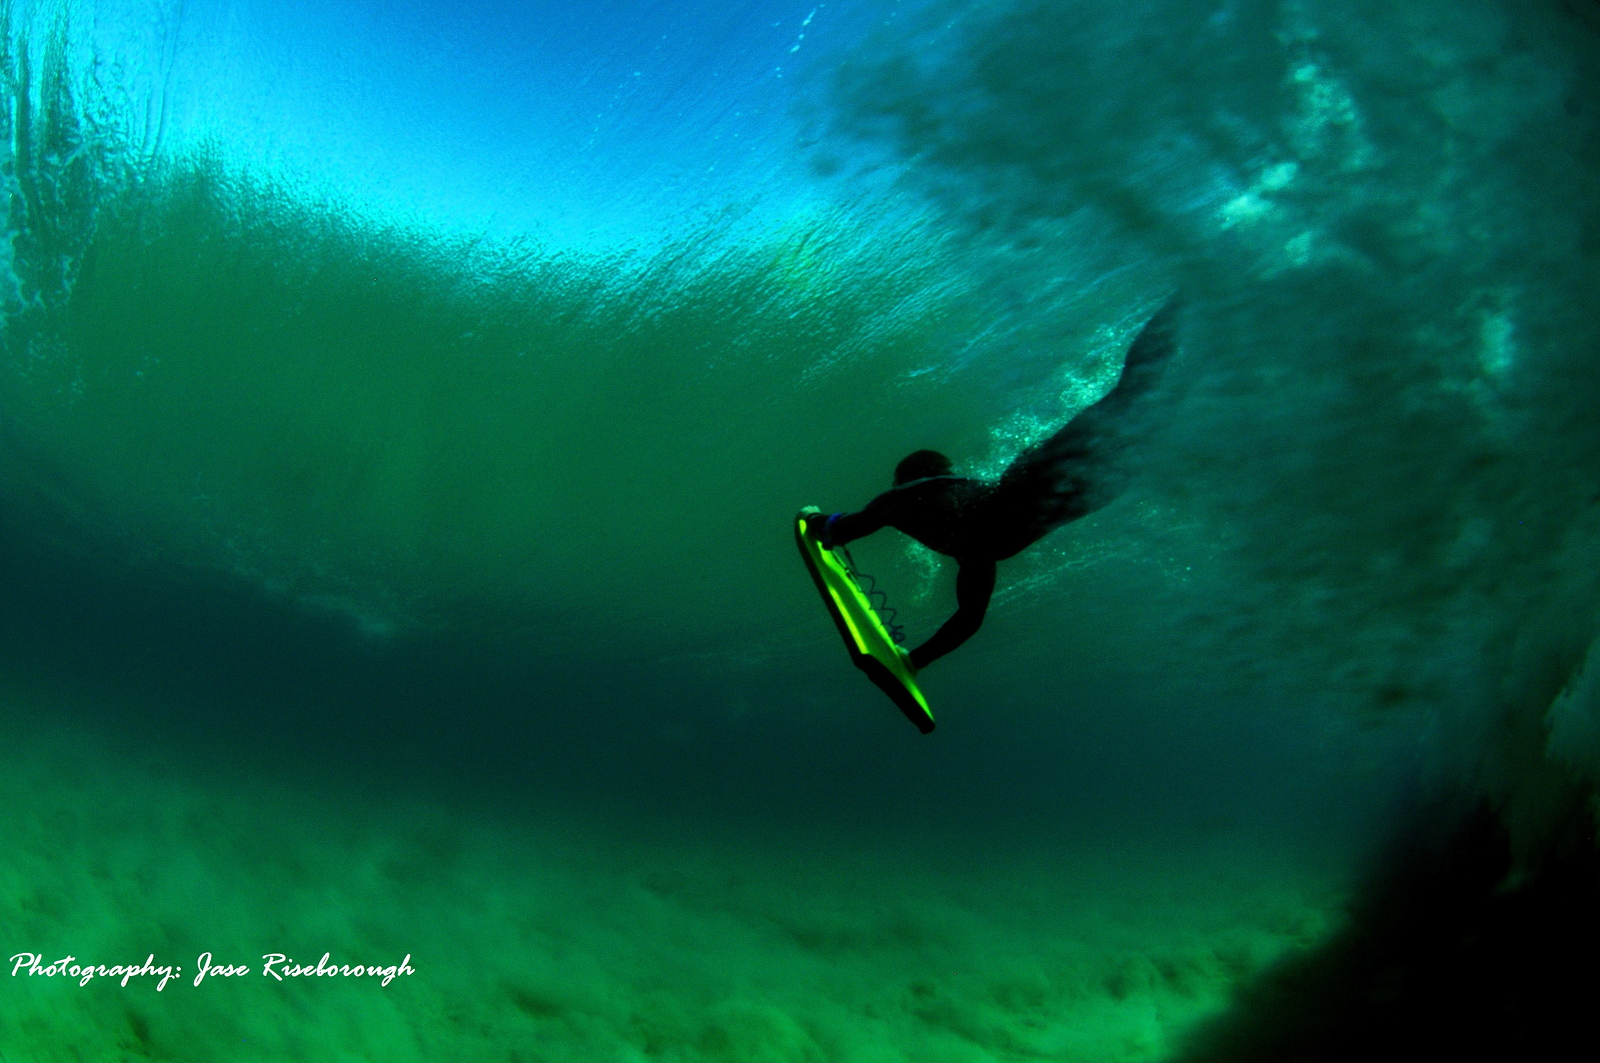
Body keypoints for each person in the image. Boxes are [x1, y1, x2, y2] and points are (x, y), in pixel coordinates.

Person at [809, 298, 1180, 671]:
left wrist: (827, 526)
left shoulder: (919, 500)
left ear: (915, 477)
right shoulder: (974, 548)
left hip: (1065, 485)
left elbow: (860, 523)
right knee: (1136, 410)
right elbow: (968, 619)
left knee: (1133, 407)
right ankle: (1201, 370)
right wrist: (913, 660)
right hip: (1067, 485)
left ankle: (1185, 303)